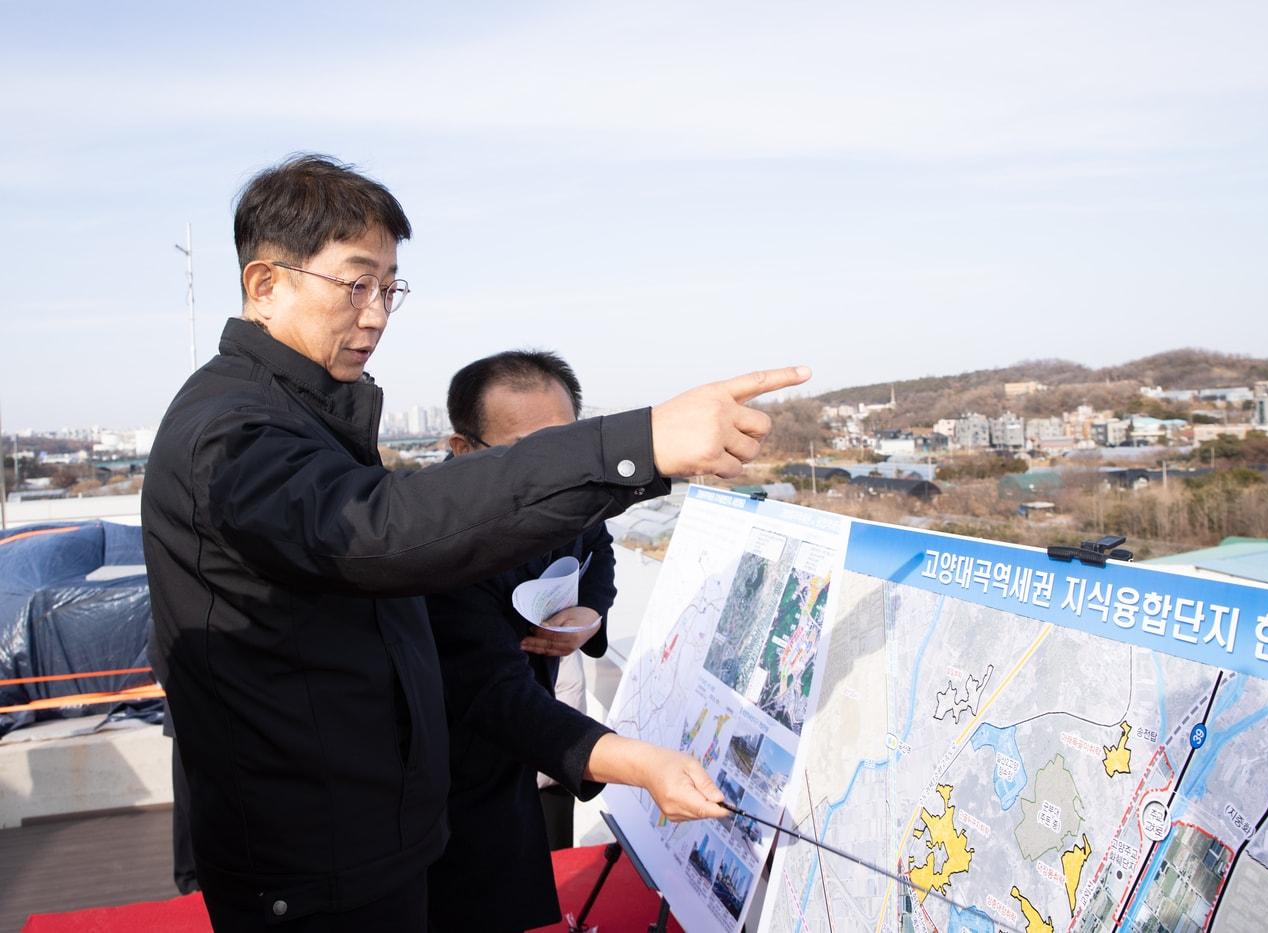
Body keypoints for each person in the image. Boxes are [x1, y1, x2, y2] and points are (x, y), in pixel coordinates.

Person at [141, 154, 807, 932]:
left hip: (373, 837)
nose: (378, 312)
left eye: (391, 287)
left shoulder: (301, 416)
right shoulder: (233, 432)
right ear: (265, 284)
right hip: (314, 867)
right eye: (355, 283)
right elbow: (381, 528)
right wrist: (634, 443)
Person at [425, 350, 622, 932]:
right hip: (445, 767)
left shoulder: (577, 496)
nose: (550, 473)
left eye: (563, 450)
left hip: (522, 748)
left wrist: (591, 615)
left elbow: (600, 552)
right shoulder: (434, 538)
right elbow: (491, 696)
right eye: (522, 456)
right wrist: (634, 763)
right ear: (461, 449)